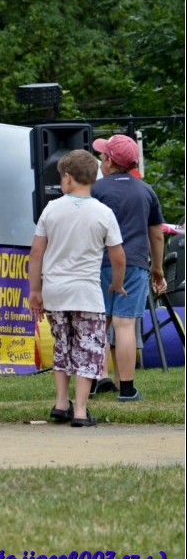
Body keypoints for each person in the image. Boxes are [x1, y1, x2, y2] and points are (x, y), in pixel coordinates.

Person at [29, 150, 126, 427]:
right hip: (86, 293)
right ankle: (81, 410)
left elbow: (36, 253)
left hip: (55, 292)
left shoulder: (51, 209)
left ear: (68, 179)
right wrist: (116, 283)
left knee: (62, 347)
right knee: (88, 349)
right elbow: (118, 257)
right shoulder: (103, 213)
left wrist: (35, 290)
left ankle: (61, 404)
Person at [90, 134, 167, 402]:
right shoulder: (145, 191)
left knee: (98, 324)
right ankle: (126, 389)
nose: (101, 159)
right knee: (124, 326)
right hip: (134, 264)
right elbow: (156, 234)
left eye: (102, 156)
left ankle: (94, 381)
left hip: (98, 264)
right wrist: (157, 269)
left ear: (109, 161)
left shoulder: (96, 190)